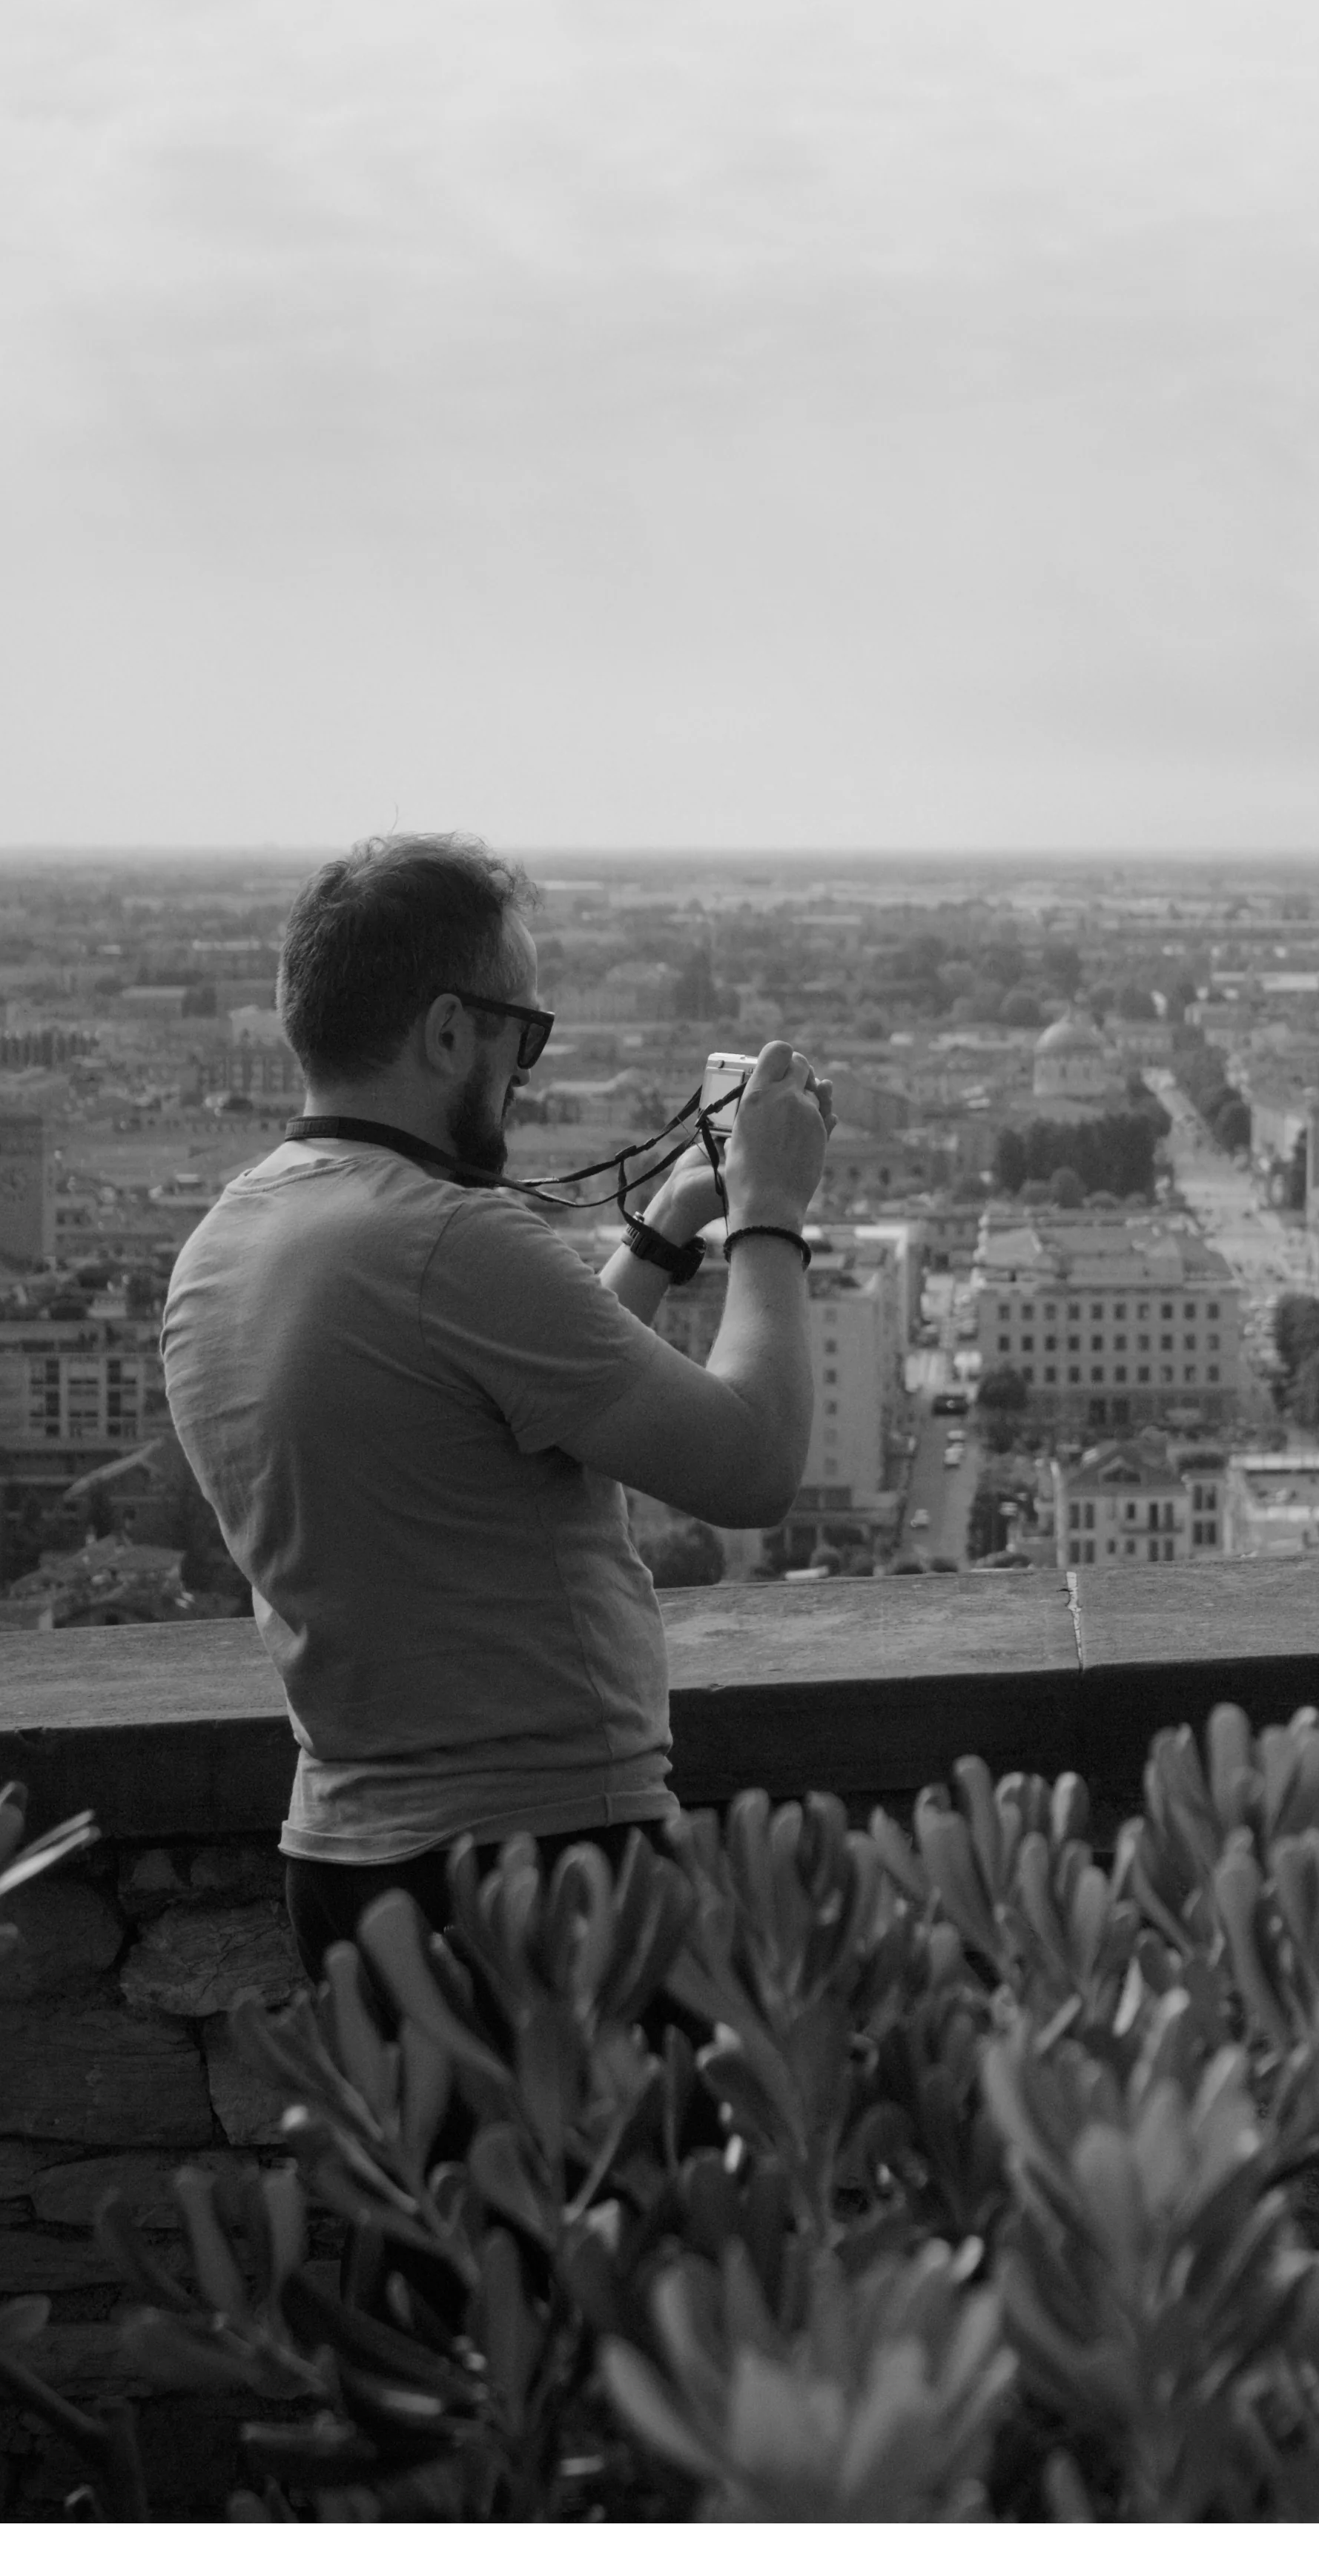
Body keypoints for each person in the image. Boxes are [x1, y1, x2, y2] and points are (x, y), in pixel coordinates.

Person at [160, 832, 830, 1979]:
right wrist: (770, 1212)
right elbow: (752, 1464)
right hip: (541, 1861)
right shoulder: (447, 1238)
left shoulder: (226, 1243)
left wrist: (664, 1232)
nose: (523, 1069)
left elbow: (502, 1409)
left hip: (344, 1868)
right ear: (447, 1030)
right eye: (522, 1032)